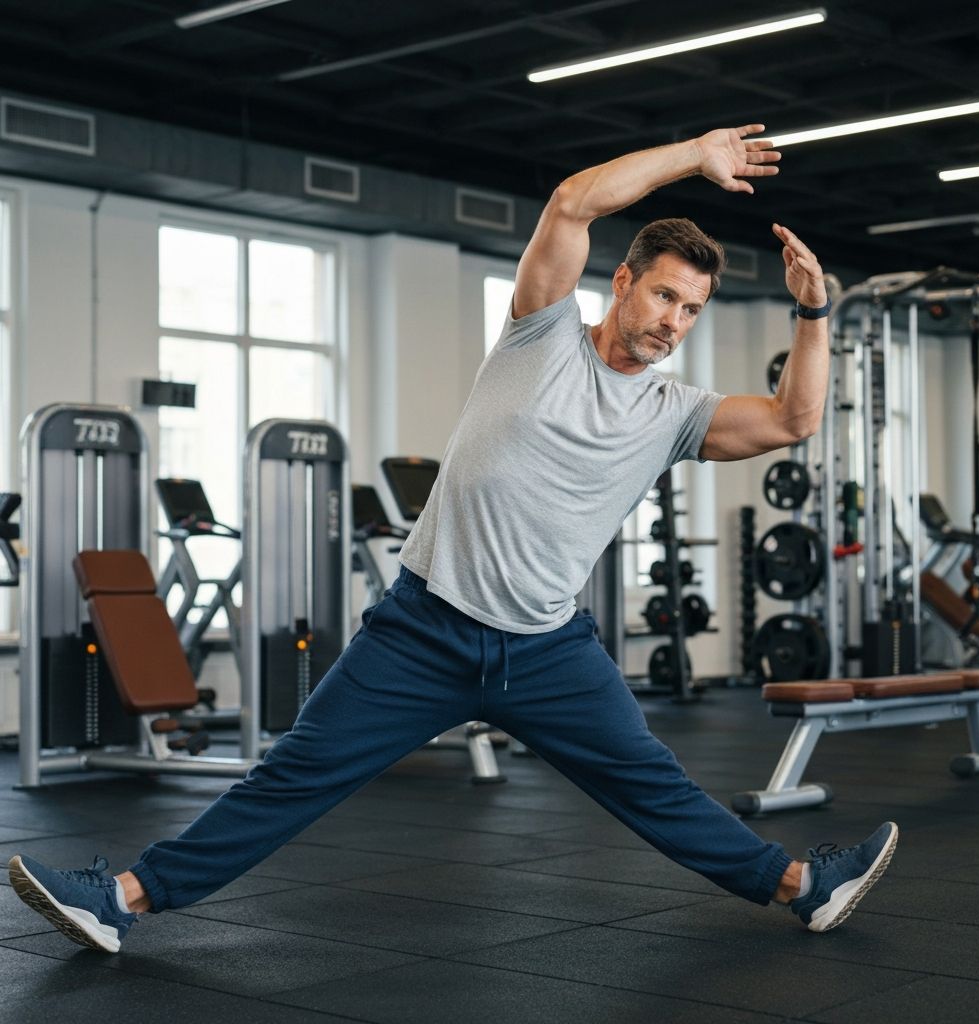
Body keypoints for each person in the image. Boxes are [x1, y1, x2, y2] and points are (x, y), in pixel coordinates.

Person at [9, 123, 897, 954]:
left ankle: (799, 887)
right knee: (290, 778)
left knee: (652, 787)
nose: (673, 319)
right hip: (425, 629)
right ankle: (121, 902)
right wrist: (695, 153)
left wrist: (812, 315)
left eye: (693, 309)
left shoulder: (676, 413)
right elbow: (575, 202)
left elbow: (792, 419)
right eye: (665, 293)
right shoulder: (538, 336)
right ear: (622, 283)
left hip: (549, 650)